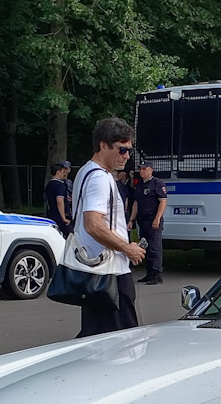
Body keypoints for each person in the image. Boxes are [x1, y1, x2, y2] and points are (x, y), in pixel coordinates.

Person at [70, 118, 146, 337]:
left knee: (96, 337)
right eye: (122, 150)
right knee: (125, 341)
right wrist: (126, 248)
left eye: (129, 150)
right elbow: (93, 224)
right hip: (110, 273)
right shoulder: (100, 179)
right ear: (103, 145)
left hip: (94, 270)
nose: (127, 156)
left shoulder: (85, 172)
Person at [129, 160, 168, 284]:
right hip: (143, 220)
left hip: (153, 220)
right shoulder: (139, 185)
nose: (142, 171)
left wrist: (157, 218)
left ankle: (157, 274)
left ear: (151, 170)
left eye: (144, 169)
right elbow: (136, 203)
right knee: (145, 246)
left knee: (154, 248)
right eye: (140, 169)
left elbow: (163, 201)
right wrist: (131, 220)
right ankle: (149, 273)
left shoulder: (157, 183)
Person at [44, 160, 72, 234]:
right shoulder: (60, 185)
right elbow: (60, 201)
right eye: (63, 172)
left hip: (51, 215)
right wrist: (64, 218)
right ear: (58, 172)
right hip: (60, 218)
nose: (64, 174)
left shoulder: (49, 185)